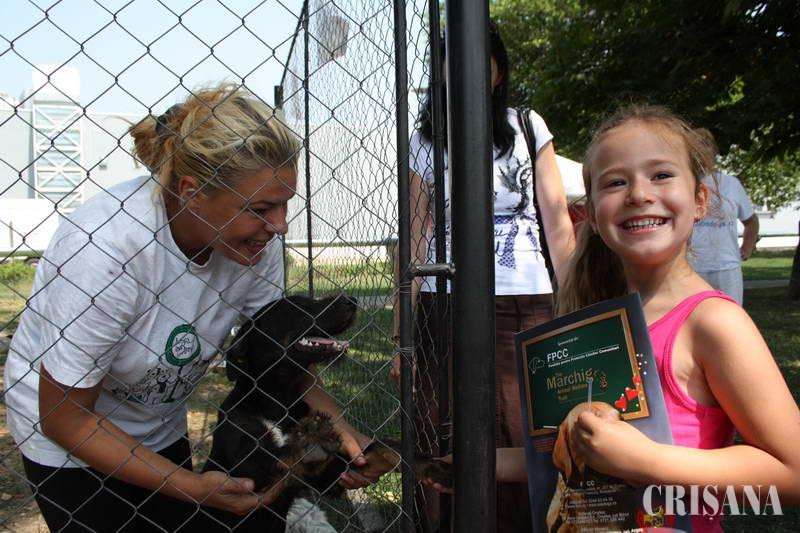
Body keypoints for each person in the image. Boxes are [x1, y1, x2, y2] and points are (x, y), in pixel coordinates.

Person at [3, 83, 378, 532]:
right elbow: (65, 418)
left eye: (284, 205)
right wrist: (190, 486)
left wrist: (338, 428)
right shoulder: (105, 249)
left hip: (157, 423)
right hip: (72, 440)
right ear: (192, 192)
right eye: (262, 208)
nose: (279, 225)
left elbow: (283, 353)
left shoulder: (255, 242)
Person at [426, 104, 800, 532]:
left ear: (700, 201)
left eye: (661, 175)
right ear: (592, 213)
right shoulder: (598, 325)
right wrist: (478, 464)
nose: (638, 193)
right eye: (616, 182)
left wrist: (646, 460)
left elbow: (792, 474)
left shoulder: (714, 322)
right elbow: (571, 455)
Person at [390, 21, 576, 533]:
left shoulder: (527, 126)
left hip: (527, 298)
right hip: (445, 301)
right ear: (440, 72)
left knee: (526, 425)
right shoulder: (425, 140)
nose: (469, 71)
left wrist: (577, 305)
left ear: (498, 68)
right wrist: (402, 329)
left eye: (480, 59)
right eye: (454, 62)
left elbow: (557, 222)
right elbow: (415, 237)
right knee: (445, 423)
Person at [689, 128, 759, 304]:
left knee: (731, 316)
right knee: (693, 317)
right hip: (690, 268)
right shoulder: (683, 183)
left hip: (727, 268)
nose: (700, 155)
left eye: (704, 148)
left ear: (713, 153)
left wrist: (746, 249)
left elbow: (751, 221)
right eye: (695, 149)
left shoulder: (731, 184)